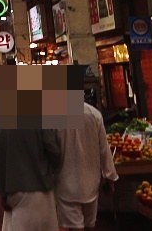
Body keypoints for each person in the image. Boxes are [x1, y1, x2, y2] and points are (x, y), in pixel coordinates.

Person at [56, 95, 119, 231]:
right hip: (91, 183)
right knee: (89, 224)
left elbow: (51, 151)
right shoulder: (94, 115)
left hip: (65, 184)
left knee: (75, 227)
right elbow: (104, 149)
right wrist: (109, 176)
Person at [0, 126, 63, 231]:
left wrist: (3, 195)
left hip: (14, 189)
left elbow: (1, 159)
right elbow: (55, 152)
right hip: (41, 187)